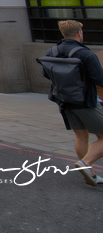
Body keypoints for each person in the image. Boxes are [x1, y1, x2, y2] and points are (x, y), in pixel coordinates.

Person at [49, 20, 103, 186]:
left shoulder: (52, 51)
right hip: (86, 102)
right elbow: (99, 79)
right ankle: (86, 163)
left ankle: (91, 174)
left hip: (64, 101)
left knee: (81, 136)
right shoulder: (86, 54)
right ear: (80, 33)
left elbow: (46, 74)